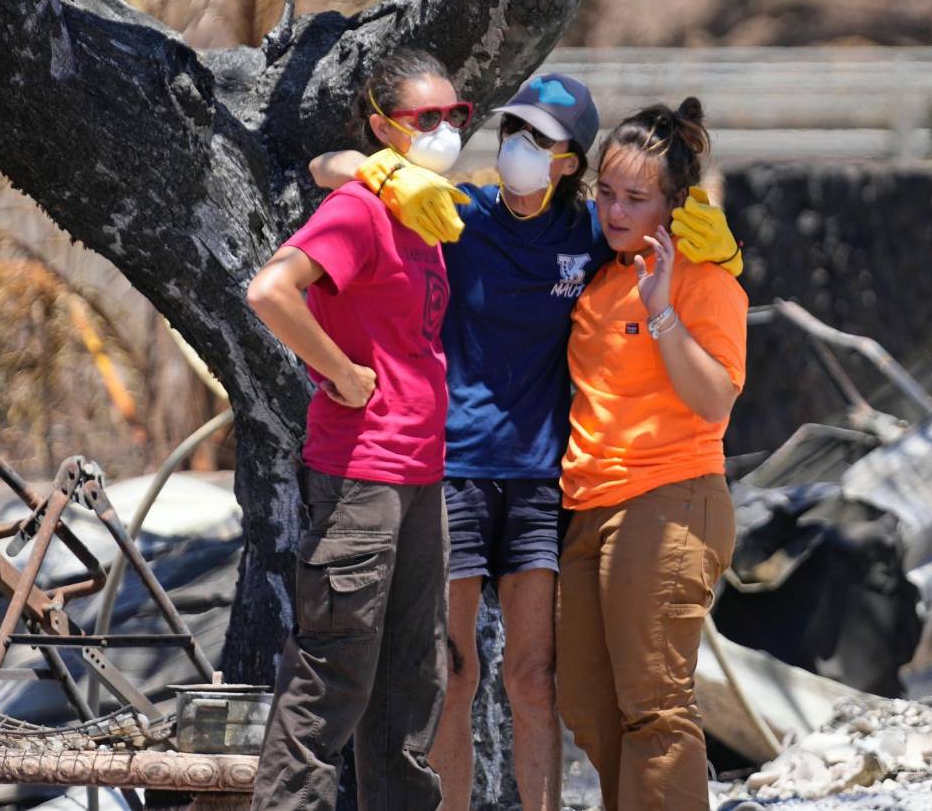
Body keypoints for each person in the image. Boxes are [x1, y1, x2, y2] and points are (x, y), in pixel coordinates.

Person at [310, 75, 742, 810]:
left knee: (545, 681)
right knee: (459, 674)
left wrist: (716, 253)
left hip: (556, 483)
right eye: (514, 131)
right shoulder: (461, 215)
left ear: (569, 160)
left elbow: (698, 337)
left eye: (542, 140)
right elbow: (325, 168)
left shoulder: (600, 238)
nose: (520, 149)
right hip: (468, 472)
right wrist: (382, 169)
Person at [246, 48, 469, 811]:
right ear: (383, 128)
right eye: (427, 118)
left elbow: (327, 163)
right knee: (334, 677)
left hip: (419, 474)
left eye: (457, 115)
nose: (447, 130)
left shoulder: (423, 212)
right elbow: (272, 291)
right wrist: (339, 373)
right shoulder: (363, 210)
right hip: (361, 475)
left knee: (412, 681)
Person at [556, 98, 748, 811]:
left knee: (654, 706)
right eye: (605, 192)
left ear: (675, 204)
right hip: (588, 505)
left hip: (670, 499)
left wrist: (663, 308)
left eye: (636, 198)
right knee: (588, 704)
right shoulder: (600, 278)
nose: (614, 210)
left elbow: (716, 402)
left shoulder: (707, 279)